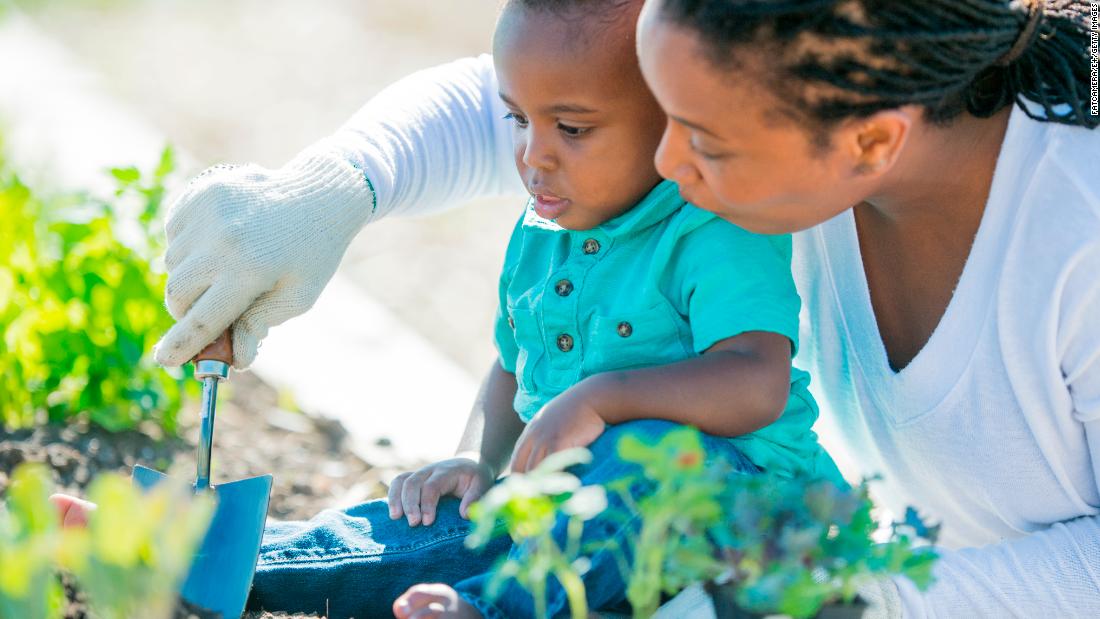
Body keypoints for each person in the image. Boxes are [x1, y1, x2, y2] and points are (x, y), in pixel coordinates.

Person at [63, 0, 1100, 616]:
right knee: (473, 521)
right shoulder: (786, 109)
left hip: (854, 580)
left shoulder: (1076, 239)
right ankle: (221, 555)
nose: (663, 166)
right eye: (662, 121)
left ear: (871, 142)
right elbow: (561, 87)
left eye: (701, 139)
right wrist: (338, 185)